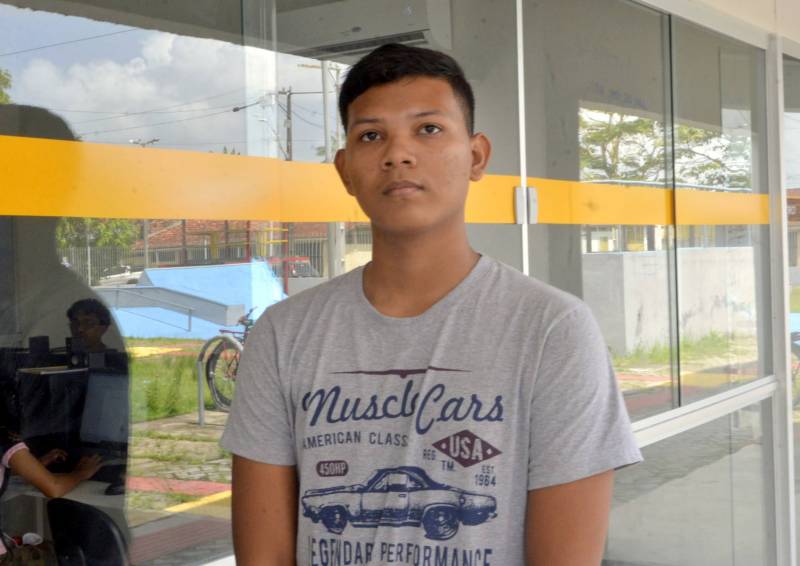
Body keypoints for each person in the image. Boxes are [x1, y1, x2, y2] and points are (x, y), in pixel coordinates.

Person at [221, 43, 642, 565]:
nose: (398, 154)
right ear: (345, 170)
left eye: (428, 129)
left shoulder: (552, 329)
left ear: (476, 156)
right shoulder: (283, 334)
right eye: (371, 135)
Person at [0, 421, 102, 564]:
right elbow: (54, 488)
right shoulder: (4, 438)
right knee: (60, 553)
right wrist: (82, 473)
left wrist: (35, 465)